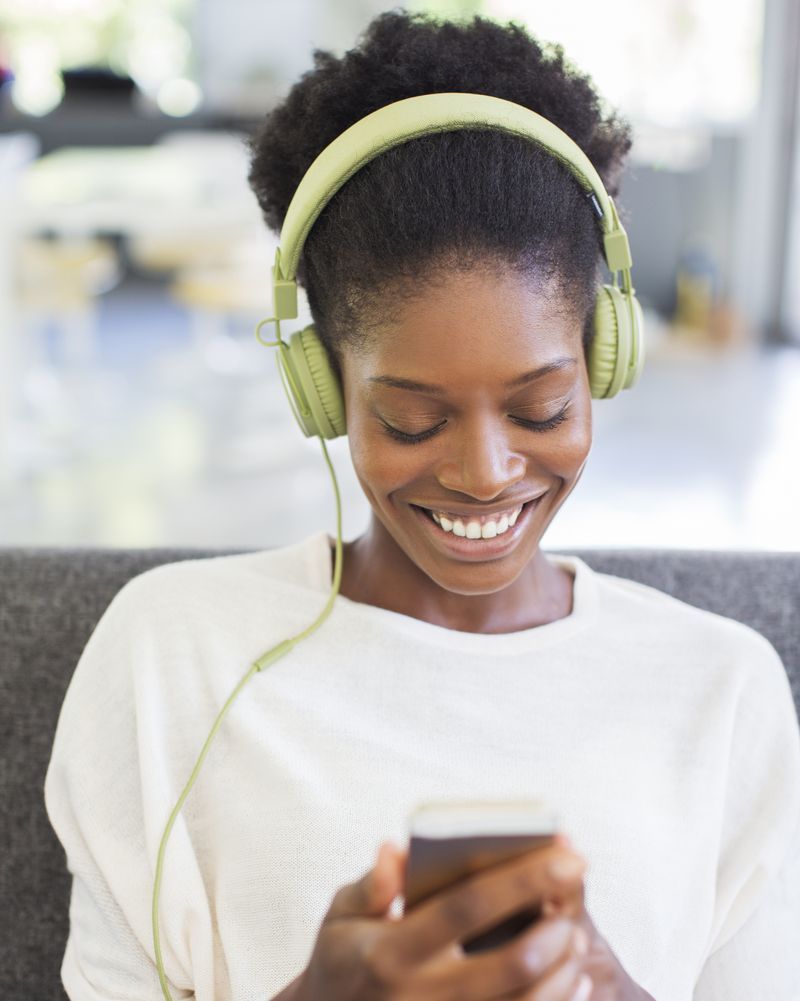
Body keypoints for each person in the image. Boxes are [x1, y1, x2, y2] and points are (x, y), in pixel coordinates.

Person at [44, 9, 800, 1001]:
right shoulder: (170, 653)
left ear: (602, 356)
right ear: (320, 388)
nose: (484, 472)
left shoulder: (722, 692)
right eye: (408, 419)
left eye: (541, 406)